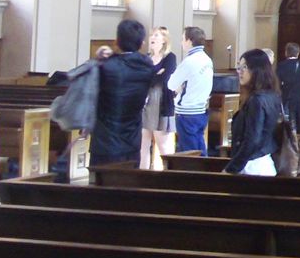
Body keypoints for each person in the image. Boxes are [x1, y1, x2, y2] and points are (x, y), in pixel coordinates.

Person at [90, 20, 155, 166]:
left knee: (100, 186)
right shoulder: (147, 67)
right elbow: (131, 61)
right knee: (128, 185)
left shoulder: (105, 67)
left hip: (105, 142)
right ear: (142, 42)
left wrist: (100, 57)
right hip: (132, 142)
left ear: (117, 41)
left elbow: (86, 85)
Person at [224, 49, 283, 176]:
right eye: (239, 67)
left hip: (252, 167)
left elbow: (252, 140)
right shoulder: (272, 95)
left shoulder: (257, 100)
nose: (240, 72)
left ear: (257, 70)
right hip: (262, 163)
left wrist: (231, 168)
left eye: (244, 67)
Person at [168, 26, 213, 155]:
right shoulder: (207, 60)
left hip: (187, 112)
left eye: (183, 39)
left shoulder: (189, 61)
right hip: (201, 110)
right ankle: (204, 173)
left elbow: (171, 84)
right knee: (200, 146)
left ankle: (193, 174)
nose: (181, 42)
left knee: (189, 152)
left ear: (189, 40)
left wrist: (179, 87)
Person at [140, 26, 177, 170]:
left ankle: (168, 179)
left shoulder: (170, 57)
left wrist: (151, 77)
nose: (152, 38)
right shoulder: (146, 58)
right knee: (142, 146)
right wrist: (155, 75)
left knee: (164, 147)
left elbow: (165, 78)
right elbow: (141, 78)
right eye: (151, 35)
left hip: (161, 104)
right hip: (145, 104)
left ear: (164, 40)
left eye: (156, 35)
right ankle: (142, 177)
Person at [275, 42, 300, 140]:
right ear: (298, 53)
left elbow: (277, 83)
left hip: (289, 99)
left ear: (286, 53)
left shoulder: (281, 65)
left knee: (291, 127)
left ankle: (292, 149)